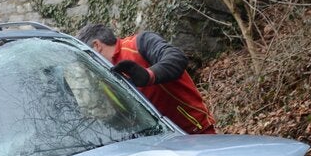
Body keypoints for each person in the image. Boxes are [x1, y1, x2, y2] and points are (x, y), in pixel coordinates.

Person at [76, 24, 216, 135]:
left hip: (195, 131)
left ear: (96, 46)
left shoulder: (139, 43)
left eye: (86, 58)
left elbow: (176, 58)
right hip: (160, 143)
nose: (87, 65)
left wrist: (149, 75)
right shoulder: (105, 77)